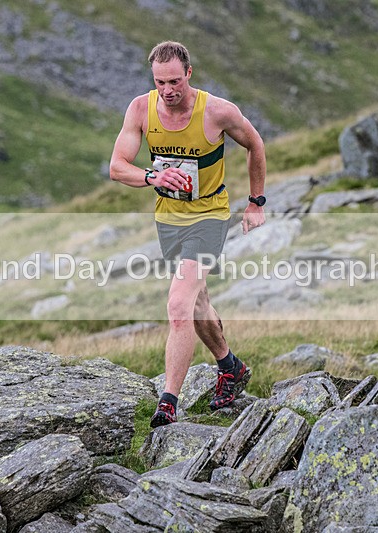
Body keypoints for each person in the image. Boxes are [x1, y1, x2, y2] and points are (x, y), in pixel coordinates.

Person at [109, 41, 267, 427]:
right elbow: (117, 167)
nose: (168, 90)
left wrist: (256, 202)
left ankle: (168, 403)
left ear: (189, 74)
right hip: (169, 218)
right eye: (160, 82)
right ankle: (230, 367)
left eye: (175, 81)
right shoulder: (140, 109)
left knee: (179, 305)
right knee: (197, 304)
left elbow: (255, 144)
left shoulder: (217, 111)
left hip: (209, 216)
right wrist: (153, 177)